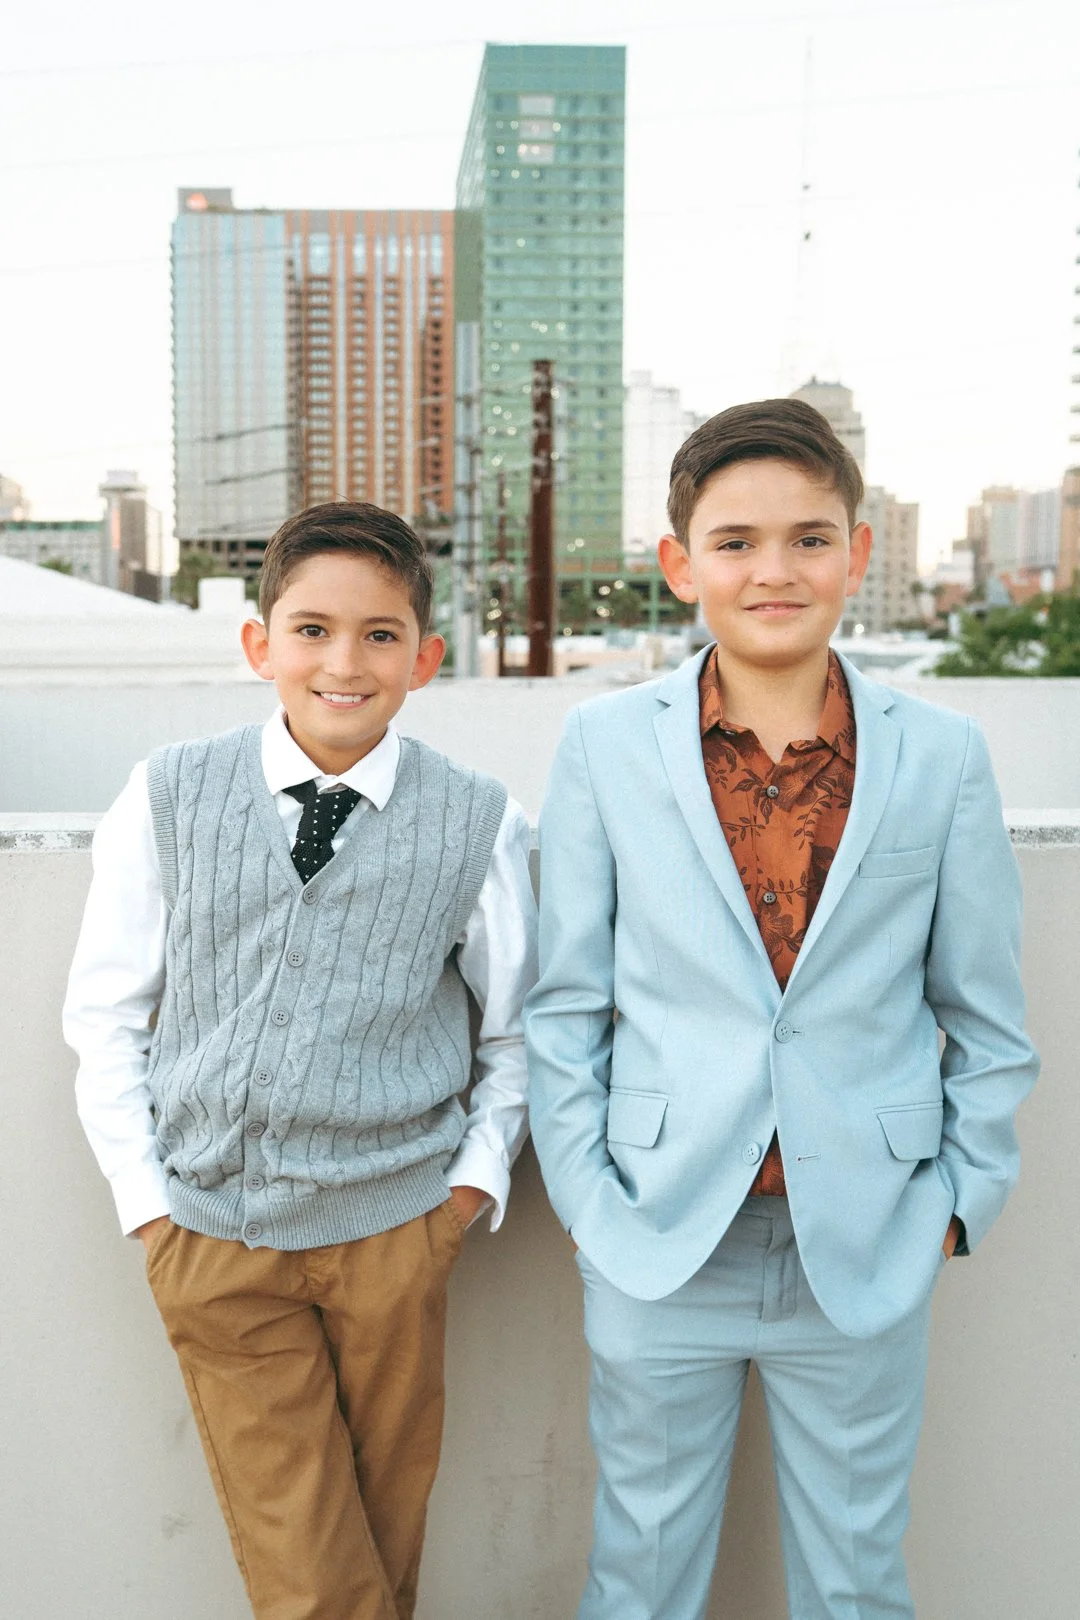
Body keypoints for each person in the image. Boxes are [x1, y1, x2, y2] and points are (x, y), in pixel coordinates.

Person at [524, 399, 1038, 1620]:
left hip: (865, 1239)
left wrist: (956, 1205)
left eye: (810, 539)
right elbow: (564, 1004)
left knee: (857, 1578)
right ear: (679, 563)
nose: (774, 570)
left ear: (859, 554)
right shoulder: (602, 746)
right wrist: (595, 1209)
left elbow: (987, 1013)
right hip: (659, 1235)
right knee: (638, 1573)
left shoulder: (945, 754)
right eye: (737, 540)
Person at [64, 501, 537, 1620]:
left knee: (382, 1533)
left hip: (395, 1230)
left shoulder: (480, 821)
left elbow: (521, 1027)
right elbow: (107, 1013)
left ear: (425, 658)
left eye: (380, 635)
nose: (343, 661)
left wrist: (468, 1190)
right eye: (313, 628)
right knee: (314, 1574)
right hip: (214, 1233)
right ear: (259, 644)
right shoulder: (169, 793)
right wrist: (149, 1203)